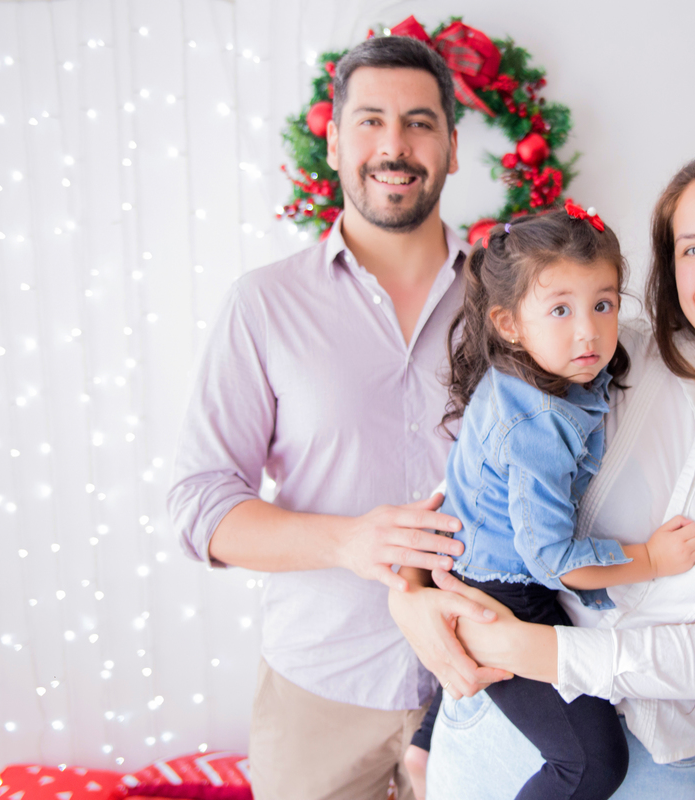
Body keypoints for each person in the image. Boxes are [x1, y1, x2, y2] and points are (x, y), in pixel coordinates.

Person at [388, 150, 695, 798]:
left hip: (656, 767)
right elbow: (472, 493)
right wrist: (411, 599)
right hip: (501, 723)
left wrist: (527, 650)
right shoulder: (614, 359)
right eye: (693, 248)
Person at [167, 36, 505, 800]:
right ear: (333, 141)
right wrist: (349, 540)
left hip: (491, 684)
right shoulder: (264, 304)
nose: (395, 145)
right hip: (319, 688)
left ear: (453, 147)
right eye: (371, 121)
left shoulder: (510, 301)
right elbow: (199, 504)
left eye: (420, 123)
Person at [403, 208, 695, 800]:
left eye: (604, 304)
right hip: (505, 589)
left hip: (470, 563)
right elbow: (553, 560)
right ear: (510, 322)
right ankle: (428, 741)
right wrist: (651, 558)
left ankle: (425, 741)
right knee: (594, 762)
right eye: (561, 309)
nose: (589, 333)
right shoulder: (537, 421)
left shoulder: (536, 375)